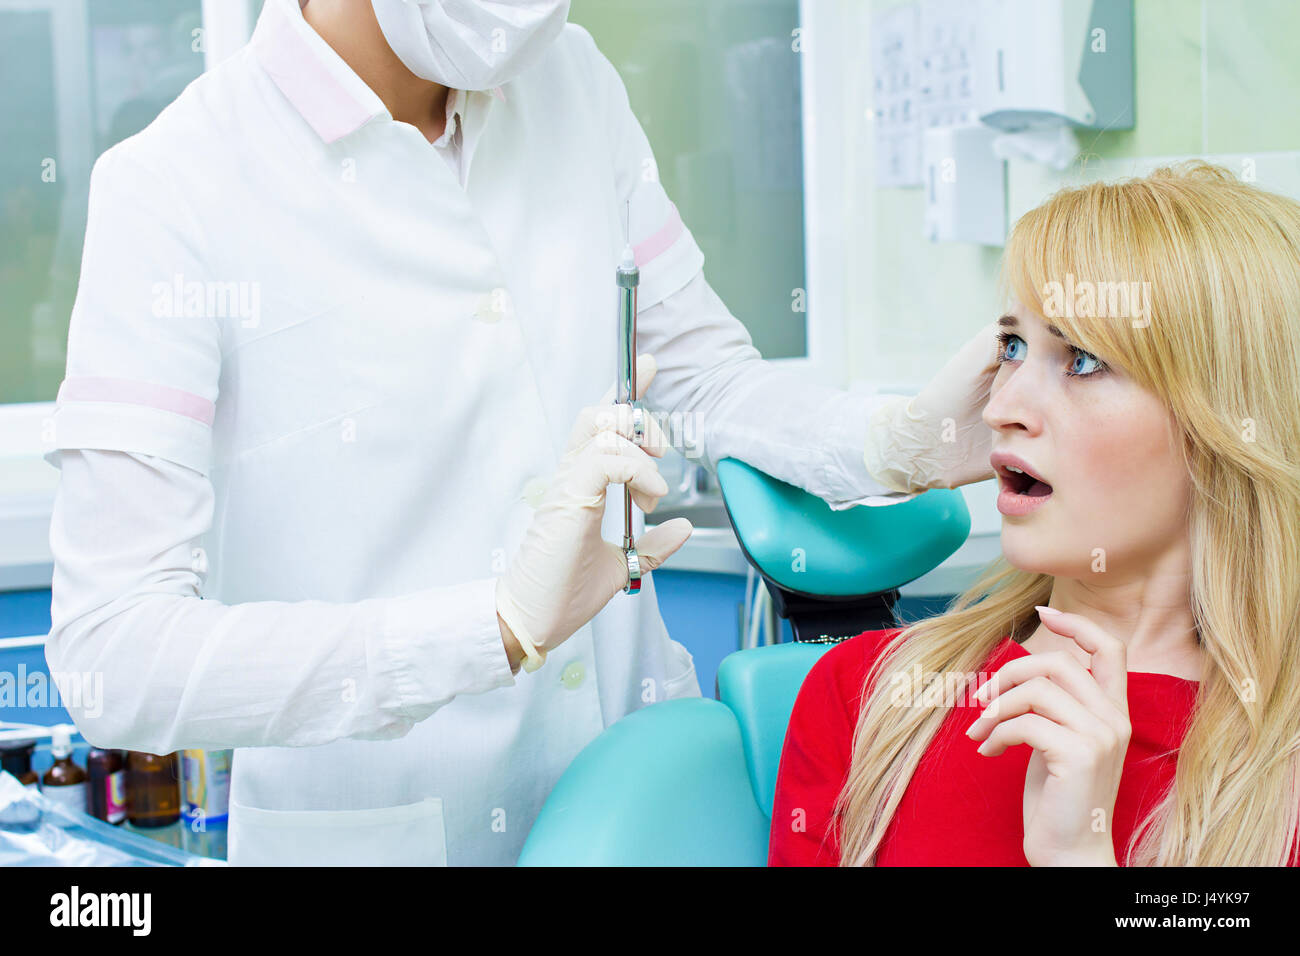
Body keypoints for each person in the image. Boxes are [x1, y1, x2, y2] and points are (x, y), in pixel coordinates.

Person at [45, 0, 995, 866]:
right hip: (394, 835)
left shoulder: (572, 82)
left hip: (651, 798)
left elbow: (706, 379)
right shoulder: (171, 188)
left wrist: (900, 439)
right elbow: (113, 652)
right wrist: (491, 626)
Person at [770, 162, 1300, 867]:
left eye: (1081, 359)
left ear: (1229, 424)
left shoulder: (1278, 769)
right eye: (1013, 349)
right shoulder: (870, 698)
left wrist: (1080, 856)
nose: (999, 408)